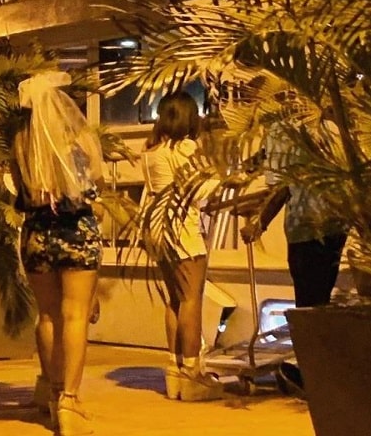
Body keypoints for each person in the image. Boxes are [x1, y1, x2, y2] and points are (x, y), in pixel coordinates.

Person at [11, 71, 104, 436]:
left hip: (36, 233)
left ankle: (52, 392)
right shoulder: (77, 141)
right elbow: (93, 182)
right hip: (75, 230)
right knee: (75, 314)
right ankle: (70, 399)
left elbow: (21, 192)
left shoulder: (21, 143)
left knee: (47, 315)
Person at [240, 106, 348, 394]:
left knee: (308, 307)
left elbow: (280, 187)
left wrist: (259, 223)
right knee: (320, 302)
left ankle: (311, 376)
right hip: (336, 225)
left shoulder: (280, 130)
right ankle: (321, 372)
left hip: (305, 228)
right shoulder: (323, 122)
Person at [140, 92, 222, 402]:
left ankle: (174, 368)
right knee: (191, 300)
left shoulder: (151, 151)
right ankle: (192, 372)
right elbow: (202, 190)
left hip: (159, 231)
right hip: (184, 231)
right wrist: (222, 174)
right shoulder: (186, 149)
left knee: (174, 300)